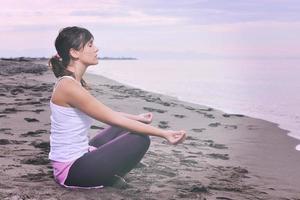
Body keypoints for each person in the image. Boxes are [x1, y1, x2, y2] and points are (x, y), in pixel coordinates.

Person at [48, 26, 187, 188]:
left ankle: (107, 173)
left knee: (133, 127)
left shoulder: (73, 83)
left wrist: (138, 118)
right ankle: (107, 178)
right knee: (139, 139)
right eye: (90, 45)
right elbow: (113, 118)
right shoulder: (68, 86)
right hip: (71, 171)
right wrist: (164, 133)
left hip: (81, 155)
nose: (96, 48)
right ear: (74, 52)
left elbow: (106, 113)